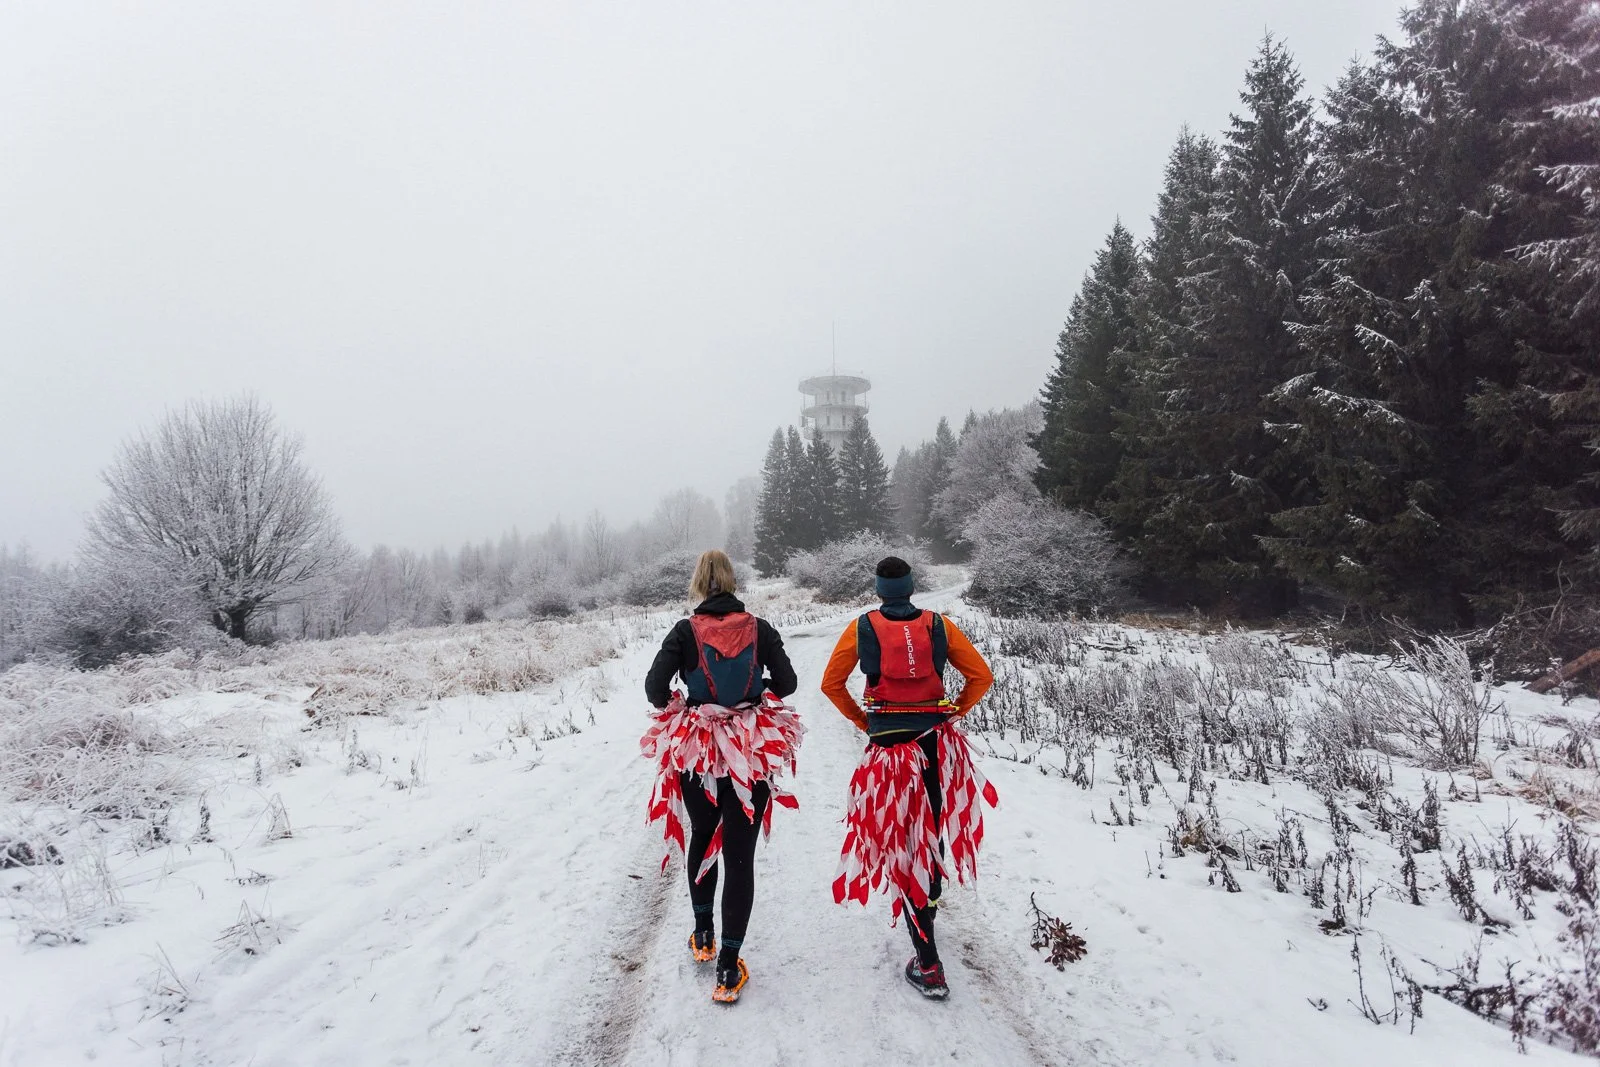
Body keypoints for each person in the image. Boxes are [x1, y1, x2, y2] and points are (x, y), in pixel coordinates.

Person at [822, 556, 996, 999]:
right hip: (933, 742)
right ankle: (927, 915)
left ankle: (929, 962)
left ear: (879, 590)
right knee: (930, 832)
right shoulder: (939, 626)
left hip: (888, 749)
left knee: (903, 840)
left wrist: (864, 721)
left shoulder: (861, 628)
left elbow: (831, 684)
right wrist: (952, 712)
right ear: (912, 587)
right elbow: (981, 676)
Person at [641, 549, 801, 1004]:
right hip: (750, 749)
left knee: (702, 834)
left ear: (698, 583)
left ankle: (703, 933)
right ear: (732, 581)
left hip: (700, 749)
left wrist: (682, 702)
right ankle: (729, 967)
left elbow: (654, 689)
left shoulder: (684, 631)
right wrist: (759, 689)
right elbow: (788, 684)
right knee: (739, 853)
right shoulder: (759, 628)